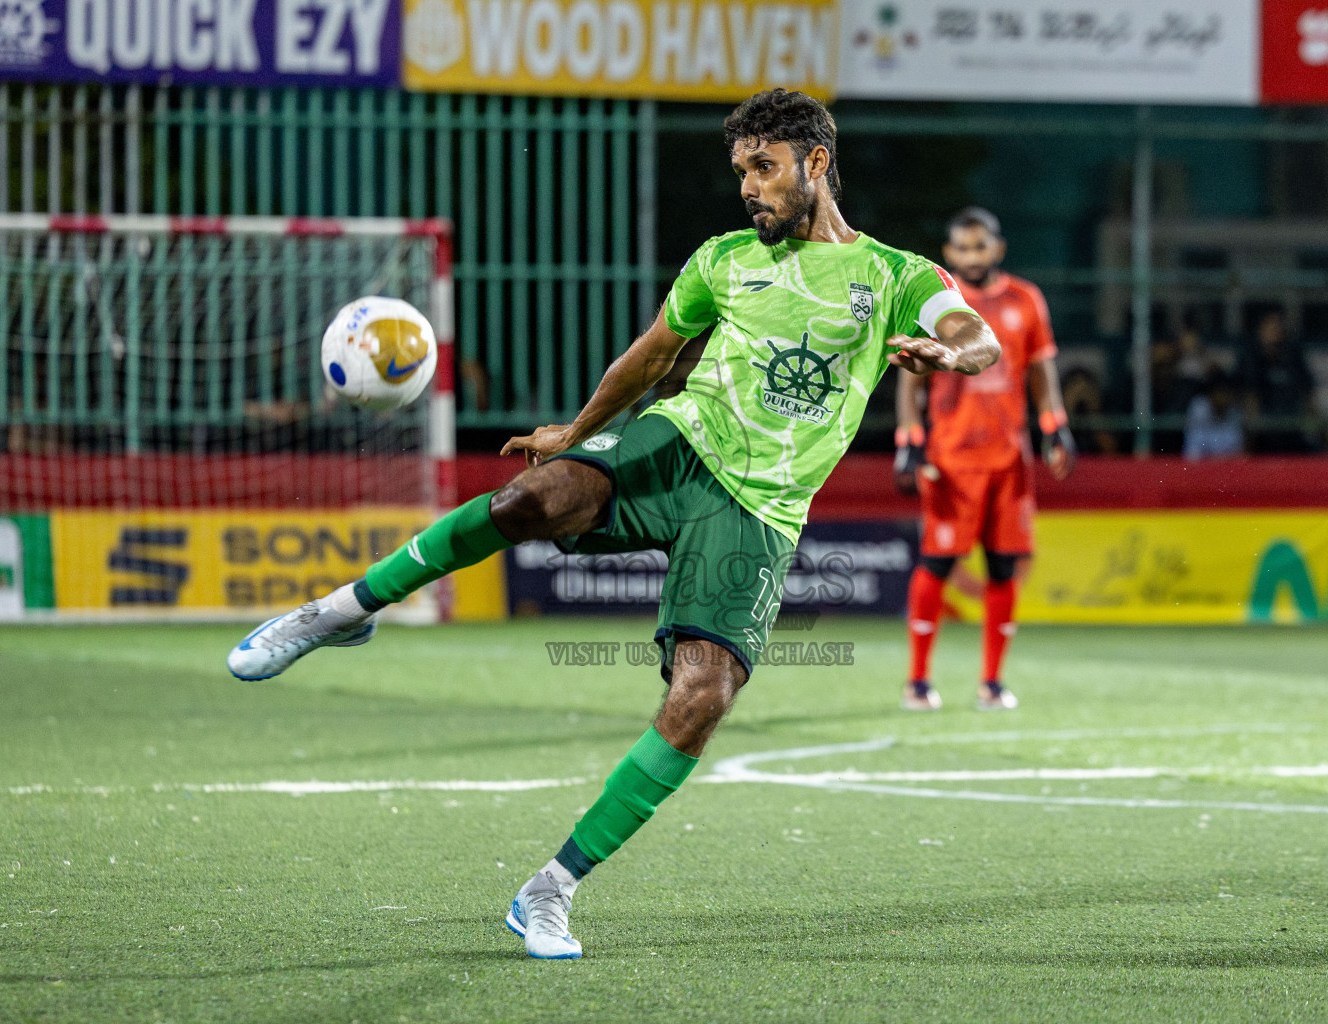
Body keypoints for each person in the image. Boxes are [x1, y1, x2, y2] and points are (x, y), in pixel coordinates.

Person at [225, 90, 999, 960]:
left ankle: (548, 889)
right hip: (682, 441)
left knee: (701, 699)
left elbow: (977, 334)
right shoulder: (722, 260)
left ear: (815, 164)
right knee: (530, 500)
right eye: (741, 169)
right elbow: (653, 357)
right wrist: (580, 433)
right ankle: (336, 613)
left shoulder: (895, 276)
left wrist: (951, 355)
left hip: (760, 512)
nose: (748, 187)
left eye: (764, 168)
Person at [894, 207, 1074, 713]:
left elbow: (1041, 369)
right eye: (962, 248)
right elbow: (911, 379)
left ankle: (992, 682)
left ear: (998, 248)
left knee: (1002, 567)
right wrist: (908, 441)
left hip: (1008, 460)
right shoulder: (938, 303)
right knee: (937, 562)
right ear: (948, 254)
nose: (972, 256)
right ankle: (917, 680)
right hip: (951, 460)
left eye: (981, 246)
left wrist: (1054, 427)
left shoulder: (1025, 300)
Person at [1237, 310, 1319, 453]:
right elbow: (1250, 402)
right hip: (1263, 436)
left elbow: (1309, 398)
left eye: (1278, 328)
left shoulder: (1293, 356)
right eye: (1271, 328)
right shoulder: (1251, 358)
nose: (1276, 332)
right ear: (1261, 331)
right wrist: (1248, 445)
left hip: (1293, 432)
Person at [1183, 367, 1244, 461]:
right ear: (1211, 395)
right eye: (1220, 394)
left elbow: (1237, 451)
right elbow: (1192, 451)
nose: (1223, 399)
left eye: (1226, 394)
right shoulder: (1199, 408)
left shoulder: (1234, 412)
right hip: (1201, 468)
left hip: (1226, 468)